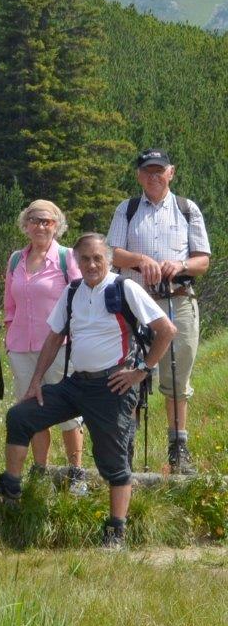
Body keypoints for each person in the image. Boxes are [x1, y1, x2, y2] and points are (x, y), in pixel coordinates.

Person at [0, 234, 175, 549]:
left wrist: (141, 371)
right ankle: (10, 493)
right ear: (77, 262)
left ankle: (116, 532)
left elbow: (166, 330)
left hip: (112, 387)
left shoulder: (124, 287)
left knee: (113, 462)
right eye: (85, 259)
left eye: (97, 258)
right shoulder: (73, 291)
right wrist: (36, 381)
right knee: (20, 416)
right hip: (76, 384)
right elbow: (54, 337)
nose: (91, 265)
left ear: (108, 260)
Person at [106, 148, 211, 474]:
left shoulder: (187, 209)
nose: (154, 176)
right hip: (134, 304)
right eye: (147, 171)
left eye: (159, 170)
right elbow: (112, 254)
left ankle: (178, 450)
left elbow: (202, 261)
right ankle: (125, 447)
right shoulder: (127, 209)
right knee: (130, 375)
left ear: (171, 172)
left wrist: (179, 265)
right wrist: (141, 260)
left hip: (177, 300)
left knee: (177, 378)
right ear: (139, 175)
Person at [3, 200, 86, 489]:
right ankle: (40, 472)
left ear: (57, 226)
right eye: (35, 220)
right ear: (25, 224)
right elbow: (9, 304)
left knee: (69, 413)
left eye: (47, 221)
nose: (40, 226)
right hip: (21, 349)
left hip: (59, 348)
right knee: (32, 411)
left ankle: (76, 472)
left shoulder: (67, 258)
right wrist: (9, 335)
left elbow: (81, 300)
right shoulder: (16, 259)